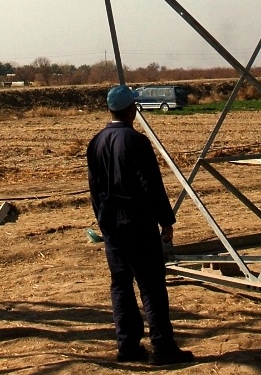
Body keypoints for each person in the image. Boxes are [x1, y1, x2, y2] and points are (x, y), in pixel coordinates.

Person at [86, 85, 193, 366]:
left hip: (111, 224)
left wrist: (103, 219)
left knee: (120, 284)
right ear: (132, 110)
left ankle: (128, 346)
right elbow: (151, 186)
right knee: (151, 285)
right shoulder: (136, 141)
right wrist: (166, 220)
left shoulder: (96, 142)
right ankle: (162, 348)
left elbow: (94, 189)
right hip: (136, 221)